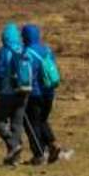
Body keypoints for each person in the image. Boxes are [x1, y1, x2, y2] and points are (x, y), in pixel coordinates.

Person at [16, 23, 62, 165]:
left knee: (32, 123)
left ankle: (38, 154)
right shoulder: (47, 50)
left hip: (34, 94)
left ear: (25, 37)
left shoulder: (27, 54)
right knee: (42, 119)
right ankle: (53, 143)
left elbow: (26, 76)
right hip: (49, 92)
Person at [0, 22, 28, 166]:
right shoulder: (23, 49)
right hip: (23, 91)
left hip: (6, 92)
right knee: (17, 123)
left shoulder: (4, 51)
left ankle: (13, 145)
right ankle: (15, 157)